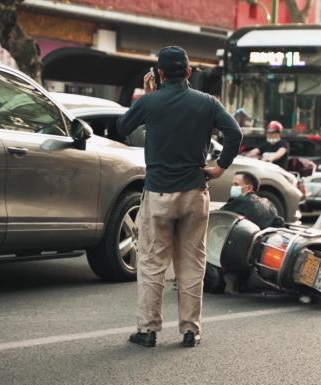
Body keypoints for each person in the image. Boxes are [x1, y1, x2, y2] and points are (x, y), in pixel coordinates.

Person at [117, 46, 243, 348]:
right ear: (188, 72)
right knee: (192, 264)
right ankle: (190, 331)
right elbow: (235, 134)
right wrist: (219, 168)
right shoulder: (207, 103)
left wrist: (148, 95)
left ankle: (147, 331)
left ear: (159, 73)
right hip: (194, 193)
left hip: (158, 194)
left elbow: (122, 127)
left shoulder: (151, 101)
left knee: (151, 263)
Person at [220, 171, 285, 229]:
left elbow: (217, 217)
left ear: (249, 188)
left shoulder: (239, 201)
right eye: (232, 185)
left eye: (236, 184)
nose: (233, 187)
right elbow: (279, 223)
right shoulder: (269, 206)